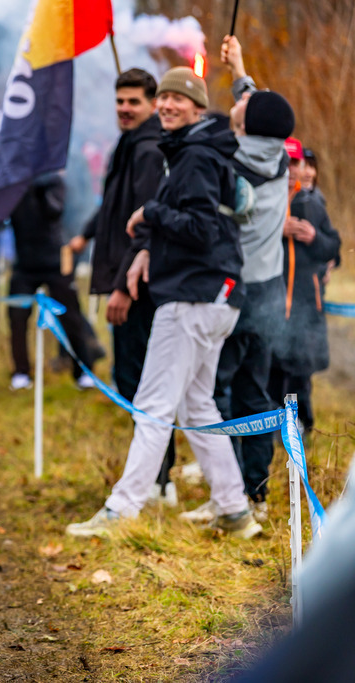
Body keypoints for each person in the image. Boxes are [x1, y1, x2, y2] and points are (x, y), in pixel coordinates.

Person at [65, 67, 260, 540]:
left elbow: (202, 228)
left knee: (152, 405)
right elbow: (200, 222)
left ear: (197, 107)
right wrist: (151, 238)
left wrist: (150, 212)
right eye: (165, 98)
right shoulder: (196, 151)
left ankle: (121, 510)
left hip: (192, 296)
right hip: (215, 295)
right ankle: (235, 510)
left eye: (179, 99)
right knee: (198, 408)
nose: (169, 105)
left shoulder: (195, 156)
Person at [183, 36, 294, 523]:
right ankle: (257, 492)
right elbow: (261, 108)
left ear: (245, 125)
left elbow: (245, 117)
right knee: (256, 392)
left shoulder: (229, 159)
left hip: (232, 291)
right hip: (269, 290)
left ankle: (225, 497)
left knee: (215, 394)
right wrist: (240, 68)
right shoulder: (280, 155)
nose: (243, 103)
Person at [68, 68, 177, 502]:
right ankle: (155, 476)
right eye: (120, 101)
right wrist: (84, 235)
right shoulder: (128, 143)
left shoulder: (148, 150)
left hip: (139, 286)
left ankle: (159, 480)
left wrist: (123, 288)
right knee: (132, 378)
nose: (125, 109)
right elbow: (113, 206)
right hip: (124, 278)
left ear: (152, 104)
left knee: (143, 382)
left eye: (134, 102)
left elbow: (146, 224)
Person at [268, 137, 341, 435]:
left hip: (306, 303)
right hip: (270, 302)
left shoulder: (312, 203)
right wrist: (275, 228)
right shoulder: (264, 200)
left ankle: (303, 429)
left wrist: (314, 237)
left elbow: (333, 247)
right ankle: (272, 430)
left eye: (296, 163)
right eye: (287, 163)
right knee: (271, 371)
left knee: (300, 373)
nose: (292, 170)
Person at [7, 173, 104, 390]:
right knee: (17, 318)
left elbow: (54, 210)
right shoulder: (12, 183)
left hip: (55, 261)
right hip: (24, 264)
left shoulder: (52, 180)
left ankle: (83, 371)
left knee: (71, 316)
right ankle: (21, 372)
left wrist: (38, 187)